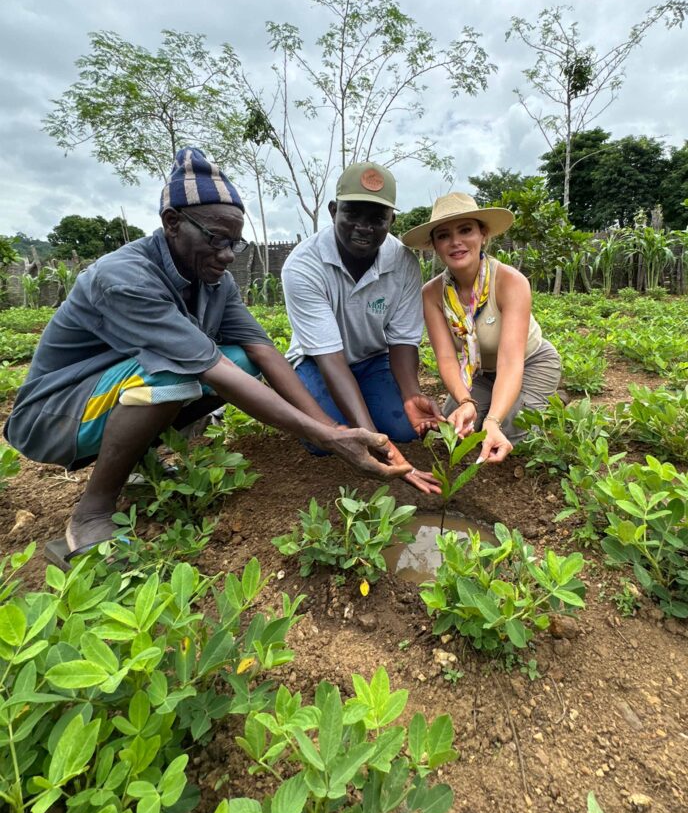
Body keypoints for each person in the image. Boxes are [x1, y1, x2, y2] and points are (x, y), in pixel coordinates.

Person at [4, 148, 412, 560]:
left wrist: (335, 432)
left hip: (108, 395)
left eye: (234, 242)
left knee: (243, 360)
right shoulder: (124, 277)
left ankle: (138, 466)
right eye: (217, 239)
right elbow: (210, 368)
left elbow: (264, 352)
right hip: (54, 416)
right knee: (178, 372)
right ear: (172, 223)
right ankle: (91, 514)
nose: (228, 255)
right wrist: (321, 433)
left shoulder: (213, 281)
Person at [281, 161, 443, 494]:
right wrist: (376, 442)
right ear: (333, 210)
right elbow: (330, 360)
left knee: (407, 427)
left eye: (377, 218)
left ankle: (372, 405)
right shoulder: (304, 266)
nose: (364, 227)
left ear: (391, 220)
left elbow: (401, 342)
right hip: (318, 361)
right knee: (324, 442)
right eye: (353, 213)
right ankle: (335, 408)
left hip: (372, 358)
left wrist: (412, 394)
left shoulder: (402, 263)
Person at [400, 192, 561, 464]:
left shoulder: (510, 282)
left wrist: (494, 421)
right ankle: (491, 406)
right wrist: (465, 401)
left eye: (465, 230)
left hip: (530, 362)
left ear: (483, 234)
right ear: (434, 245)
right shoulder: (431, 294)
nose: (456, 242)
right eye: (443, 236)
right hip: (478, 373)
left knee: (509, 429)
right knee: (456, 431)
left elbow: (511, 361)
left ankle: (545, 397)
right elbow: (448, 358)